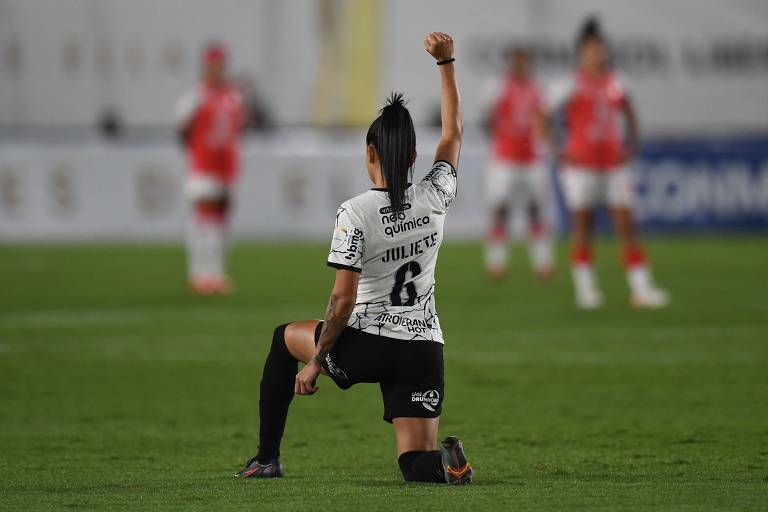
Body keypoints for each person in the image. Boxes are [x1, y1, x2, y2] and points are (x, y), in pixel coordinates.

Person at [236, 32, 473, 485]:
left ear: (369, 153)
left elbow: (342, 301)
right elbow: (454, 131)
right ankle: (450, 463)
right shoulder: (436, 195)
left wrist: (316, 360)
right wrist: (447, 64)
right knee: (414, 464)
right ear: (414, 157)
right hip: (424, 350)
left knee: (282, 339)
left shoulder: (355, 212)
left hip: (366, 347)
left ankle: (267, 458)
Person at [546, 18, 668, 309]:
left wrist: (632, 145)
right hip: (581, 168)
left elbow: (630, 112)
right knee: (583, 229)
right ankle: (586, 291)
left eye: (601, 49)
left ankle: (641, 289)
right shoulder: (568, 84)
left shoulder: (617, 81)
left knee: (627, 226)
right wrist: (557, 151)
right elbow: (543, 117)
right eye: (592, 49)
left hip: (614, 166)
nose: (598, 54)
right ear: (581, 53)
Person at [175, 43, 244, 295]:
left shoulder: (233, 96)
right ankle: (199, 273)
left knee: (220, 222)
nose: (217, 70)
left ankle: (215, 273)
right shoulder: (195, 96)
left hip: (226, 168)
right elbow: (181, 129)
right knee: (203, 218)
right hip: (203, 166)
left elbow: (237, 128)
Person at [485, 47, 554, 280]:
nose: (519, 66)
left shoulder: (537, 89)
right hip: (504, 158)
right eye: (516, 61)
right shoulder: (497, 88)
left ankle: (542, 263)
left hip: (531, 159)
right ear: (510, 63)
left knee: (534, 209)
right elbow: (488, 119)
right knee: (501, 209)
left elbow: (544, 120)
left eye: (523, 61)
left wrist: (543, 144)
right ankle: (497, 263)